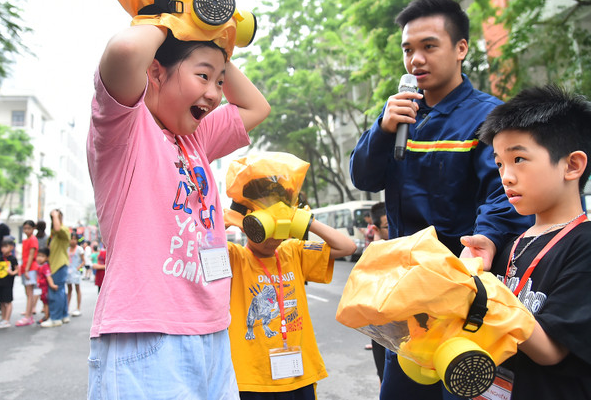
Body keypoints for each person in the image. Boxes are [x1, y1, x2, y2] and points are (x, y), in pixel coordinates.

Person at [349, 0, 531, 400]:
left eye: (429, 46)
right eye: (408, 50)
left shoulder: (489, 119)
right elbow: (363, 175)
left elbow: (504, 195)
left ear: (461, 48)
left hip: (462, 298)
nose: (416, 60)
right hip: (408, 301)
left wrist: (483, 243)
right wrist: (381, 129)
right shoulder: (398, 115)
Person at [86, 20, 270, 399]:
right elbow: (124, 52)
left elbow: (256, 105)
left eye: (219, 83)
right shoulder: (125, 129)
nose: (215, 93)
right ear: (155, 72)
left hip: (213, 330)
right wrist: (173, 17)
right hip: (147, 332)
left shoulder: (195, 137)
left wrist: (216, 41)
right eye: (202, 76)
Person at [477, 85, 591, 398]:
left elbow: (549, 350)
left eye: (519, 158)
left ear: (572, 165)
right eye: (499, 163)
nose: (506, 176)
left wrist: (480, 291)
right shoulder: (512, 245)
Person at [228, 217, 356, 398]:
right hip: (252, 378)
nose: (272, 239)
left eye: (277, 231)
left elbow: (347, 247)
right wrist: (233, 218)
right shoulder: (235, 256)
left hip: (298, 373)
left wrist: (303, 219)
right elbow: (199, 246)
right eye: (265, 229)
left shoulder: (293, 251)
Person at [365, 202, 388, 383]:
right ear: (375, 229)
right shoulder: (370, 260)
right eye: (389, 226)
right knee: (386, 378)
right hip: (384, 334)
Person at [41, 208, 70, 328]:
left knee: (55, 292)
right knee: (60, 292)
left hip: (58, 265)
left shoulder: (63, 230)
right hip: (57, 265)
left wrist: (55, 215)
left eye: (55, 218)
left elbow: (58, 228)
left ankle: (55, 318)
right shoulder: (54, 235)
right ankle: (63, 315)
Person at [16, 220, 39, 327]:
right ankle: (29, 314)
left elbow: (31, 255)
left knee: (30, 293)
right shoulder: (27, 240)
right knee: (28, 293)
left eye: (29, 228)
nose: (26, 230)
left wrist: (26, 270)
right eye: (25, 228)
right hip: (26, 267)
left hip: (30, 268)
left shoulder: (33, 240)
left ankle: (28, 317)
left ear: (33, 229)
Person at [0, 237, 18, 329]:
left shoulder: (12, 258)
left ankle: (7, 319)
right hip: (0, 282)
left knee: (8, 301)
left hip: (8, 282)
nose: (3, 249)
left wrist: (12, 273)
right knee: (2, 301)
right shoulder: (0, 258)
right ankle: (3, 318)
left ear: (11, 247)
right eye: (2, 247)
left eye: (6, 247)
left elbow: (17, 270)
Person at [35, 247, 56, 324]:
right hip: (42, 288)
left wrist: (52, 285)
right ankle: (46, 316)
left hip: (45, 289)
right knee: (44, 303)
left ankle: (46, 317)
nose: (39, 258)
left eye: (42, 256)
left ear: (47, 258)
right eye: (38, 256)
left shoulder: (45, 266)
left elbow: (48, 276)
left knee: (46, 303)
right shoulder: (41, 266)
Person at [66, 231, 84, 317]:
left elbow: (84, 261)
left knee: (77, 289)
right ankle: (67, 308)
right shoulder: (67, 249)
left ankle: (78, 308)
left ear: (77, 240)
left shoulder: (79, 249)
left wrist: (78, 267)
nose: (73, 241)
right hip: (68, 272)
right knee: (69, 289)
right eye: (71, 239)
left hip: (76, 272)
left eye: (74, 239)